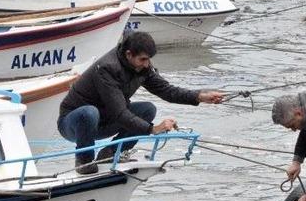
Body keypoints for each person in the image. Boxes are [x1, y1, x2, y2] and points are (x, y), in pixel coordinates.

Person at [58, 32, 224, 174]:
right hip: (74, 123)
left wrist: (199, 96)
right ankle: (84, 162)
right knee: (89, 112)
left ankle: (110, 154)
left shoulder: (143, 67)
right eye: (143, 59)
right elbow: (120, 113)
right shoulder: (107, 68)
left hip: (105, 120)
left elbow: (167, 90)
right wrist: (152, 129)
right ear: (129, 54)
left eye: (148, 60)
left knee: (148, 109)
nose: (146, 64)